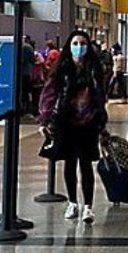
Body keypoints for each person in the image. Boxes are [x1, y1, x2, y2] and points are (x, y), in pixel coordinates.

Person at [38, 30, 108, 223]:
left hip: (88, 122)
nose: (79, 47)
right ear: (69, 46)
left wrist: (102, 123)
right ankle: (72, 202)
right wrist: (45, 119)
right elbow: (49, 95)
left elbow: (101, 97)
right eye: (75, 43)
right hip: (66, 123)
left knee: (86, 165)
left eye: (82, 43)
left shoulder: (94, 69)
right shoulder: (62, 69)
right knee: (69, 164)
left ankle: (88, 206)